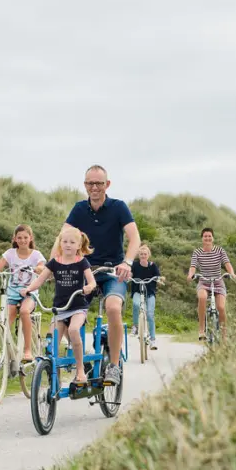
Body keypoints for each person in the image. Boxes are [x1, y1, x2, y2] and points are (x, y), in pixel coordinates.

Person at [55, 164, 140, 386]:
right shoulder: (79, 209)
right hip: (84, 272)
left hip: (113, 271)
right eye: (90, 183)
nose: (94, 187)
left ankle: (113, 366)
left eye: (99, 183)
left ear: (107, 185)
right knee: (64, 313)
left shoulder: (119, 207)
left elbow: (134, 238)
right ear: (85, 185)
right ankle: (82, 358)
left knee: (113, 308)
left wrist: (127, 262)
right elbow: (62, 237)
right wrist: (53, 264)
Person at [21, 227, 97, 384]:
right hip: (60, 308)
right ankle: (54, 378)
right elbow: (40, 280)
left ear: (78, 245)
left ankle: (81, 370)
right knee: (51, 342)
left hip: (77, 307)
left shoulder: (82, 262)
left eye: (72, 242)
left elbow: (92, 282)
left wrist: (89, 287)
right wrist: (28, 289)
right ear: (60, 244)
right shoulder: (54, 262)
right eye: (65, 242)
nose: (68, 245)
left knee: (74, 330)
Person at [0, 224, 46, 362]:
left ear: (30, 238)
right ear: (14, 239)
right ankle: (3, 350)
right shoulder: (10, 253)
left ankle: (27, 350)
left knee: (25, 312)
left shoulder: (36, 255)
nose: (22, 240)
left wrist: (38, 268)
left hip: (29, 292)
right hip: (12, 292)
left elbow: (41, 266)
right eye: (19, 238)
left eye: (25, 237)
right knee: (6, 318)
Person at [187, 227, 236, 341]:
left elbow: (227, 263)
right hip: (204, 281)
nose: (207, 238)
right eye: (205, 236)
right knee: (202, 297)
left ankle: (224, 335)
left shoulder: (220, 250)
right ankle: (201, 330)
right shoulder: (197, 252)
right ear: (202, 238)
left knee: (221, 307)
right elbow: (193, 267)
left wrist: (232, 273)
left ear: (213, 238)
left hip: (218, 282)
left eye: (209, 236)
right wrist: (191, 275)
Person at [130, 243, 164, 350]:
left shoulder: (153, 265)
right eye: (141, 254)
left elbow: (158, 276)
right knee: (135, 304)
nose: (143, 256)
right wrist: (128, 277)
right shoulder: (134, 265)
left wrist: (159, 279)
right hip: (137, 291)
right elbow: (130, 274)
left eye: (145, 254)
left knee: (150, 314)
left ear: (148, 255)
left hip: (150, 292)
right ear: (139, 255)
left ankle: (153, 340)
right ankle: (135, 326)